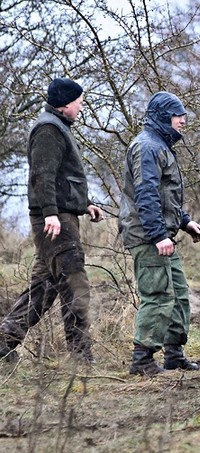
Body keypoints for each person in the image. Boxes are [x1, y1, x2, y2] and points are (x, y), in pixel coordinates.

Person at [0, 78, 104, 364]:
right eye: (79, 101)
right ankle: (81, 357)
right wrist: (51, 214)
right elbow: (42, 176)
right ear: (66, 103)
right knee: (74, 282)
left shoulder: (58, 127)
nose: (82, 106)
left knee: (43, 287)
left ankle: (4, 339)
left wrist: (86, 205)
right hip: (54, 221)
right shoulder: (48, 129)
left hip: (61, 216)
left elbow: (62, 178)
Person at [119, 91, 200, 376]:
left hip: (162, 233)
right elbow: (146, 195)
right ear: (163, 118)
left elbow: (166, 197)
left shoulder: (161, 146)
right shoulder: (147, 147)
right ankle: (142, 359)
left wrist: (185, 222)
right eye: (178, 116)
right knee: (157, 295)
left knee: (179, 293)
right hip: (147, 237)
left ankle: (174, 354)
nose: (183, 121)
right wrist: (158, 236)